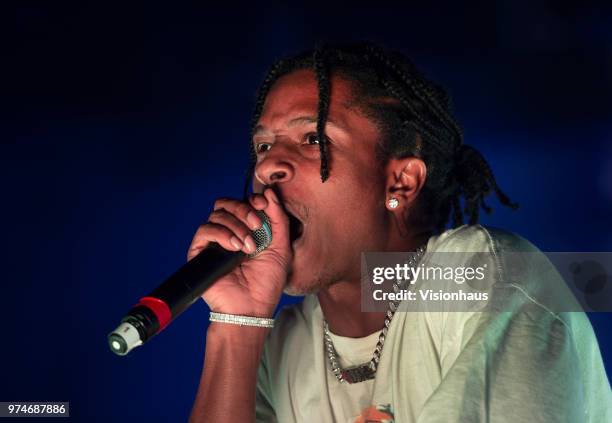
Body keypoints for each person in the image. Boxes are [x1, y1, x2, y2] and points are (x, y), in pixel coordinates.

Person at [187, 43, 611, 422]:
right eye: (263, 146)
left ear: (401, 183)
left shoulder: (479, 276)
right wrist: (236, 323)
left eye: (313, 138)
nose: (266, 167)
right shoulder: (283, 347)